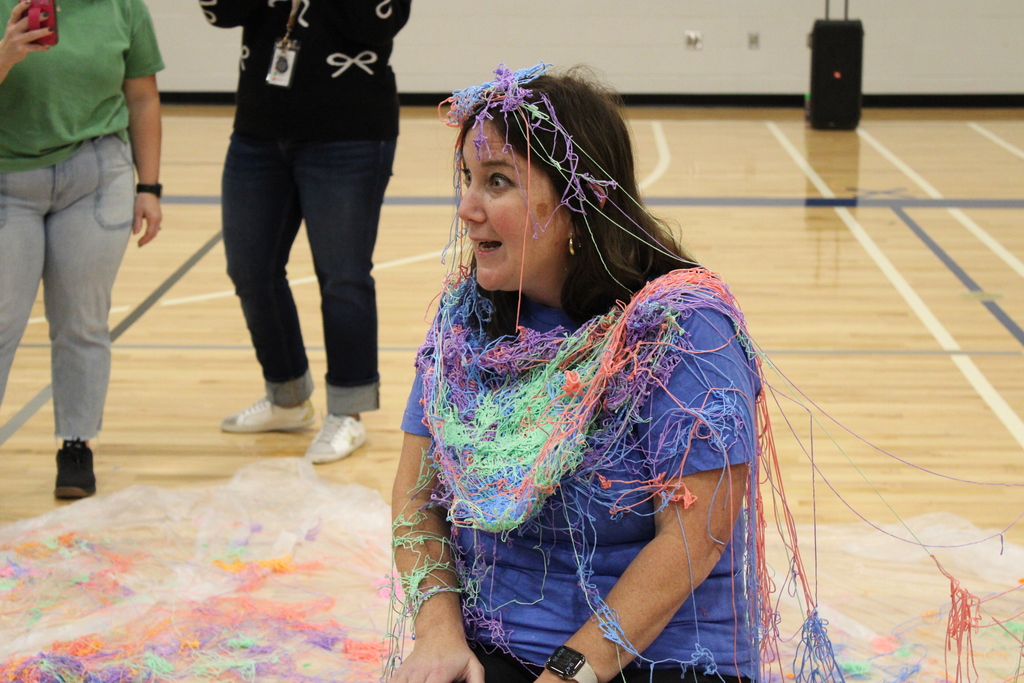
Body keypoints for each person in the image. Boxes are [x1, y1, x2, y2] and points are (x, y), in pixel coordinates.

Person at [389, 64, 764, 683]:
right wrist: (437, 633)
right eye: (467, 180)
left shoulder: (683, 326)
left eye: (498, 182)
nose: (467, 208)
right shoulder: (465, 322)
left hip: (663, 655)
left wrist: (570, 672)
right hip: (499, 646)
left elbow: (699, 531)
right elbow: (414, 495)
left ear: (582, 198)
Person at [201, 0, 411, 463]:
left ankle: (349, 411)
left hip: (349, 130)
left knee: (343, 277)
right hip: (259, 125)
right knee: (250, 269)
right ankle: (288, 397)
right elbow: (218, 11)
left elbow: (376, 22)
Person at [0, 0, 164, 499]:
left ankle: (76, 444)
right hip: (8, 179)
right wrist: (6, 56)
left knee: (82, 320)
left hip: (97, 174)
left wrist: (149, 187)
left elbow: (142, 98)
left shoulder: (122, 7)